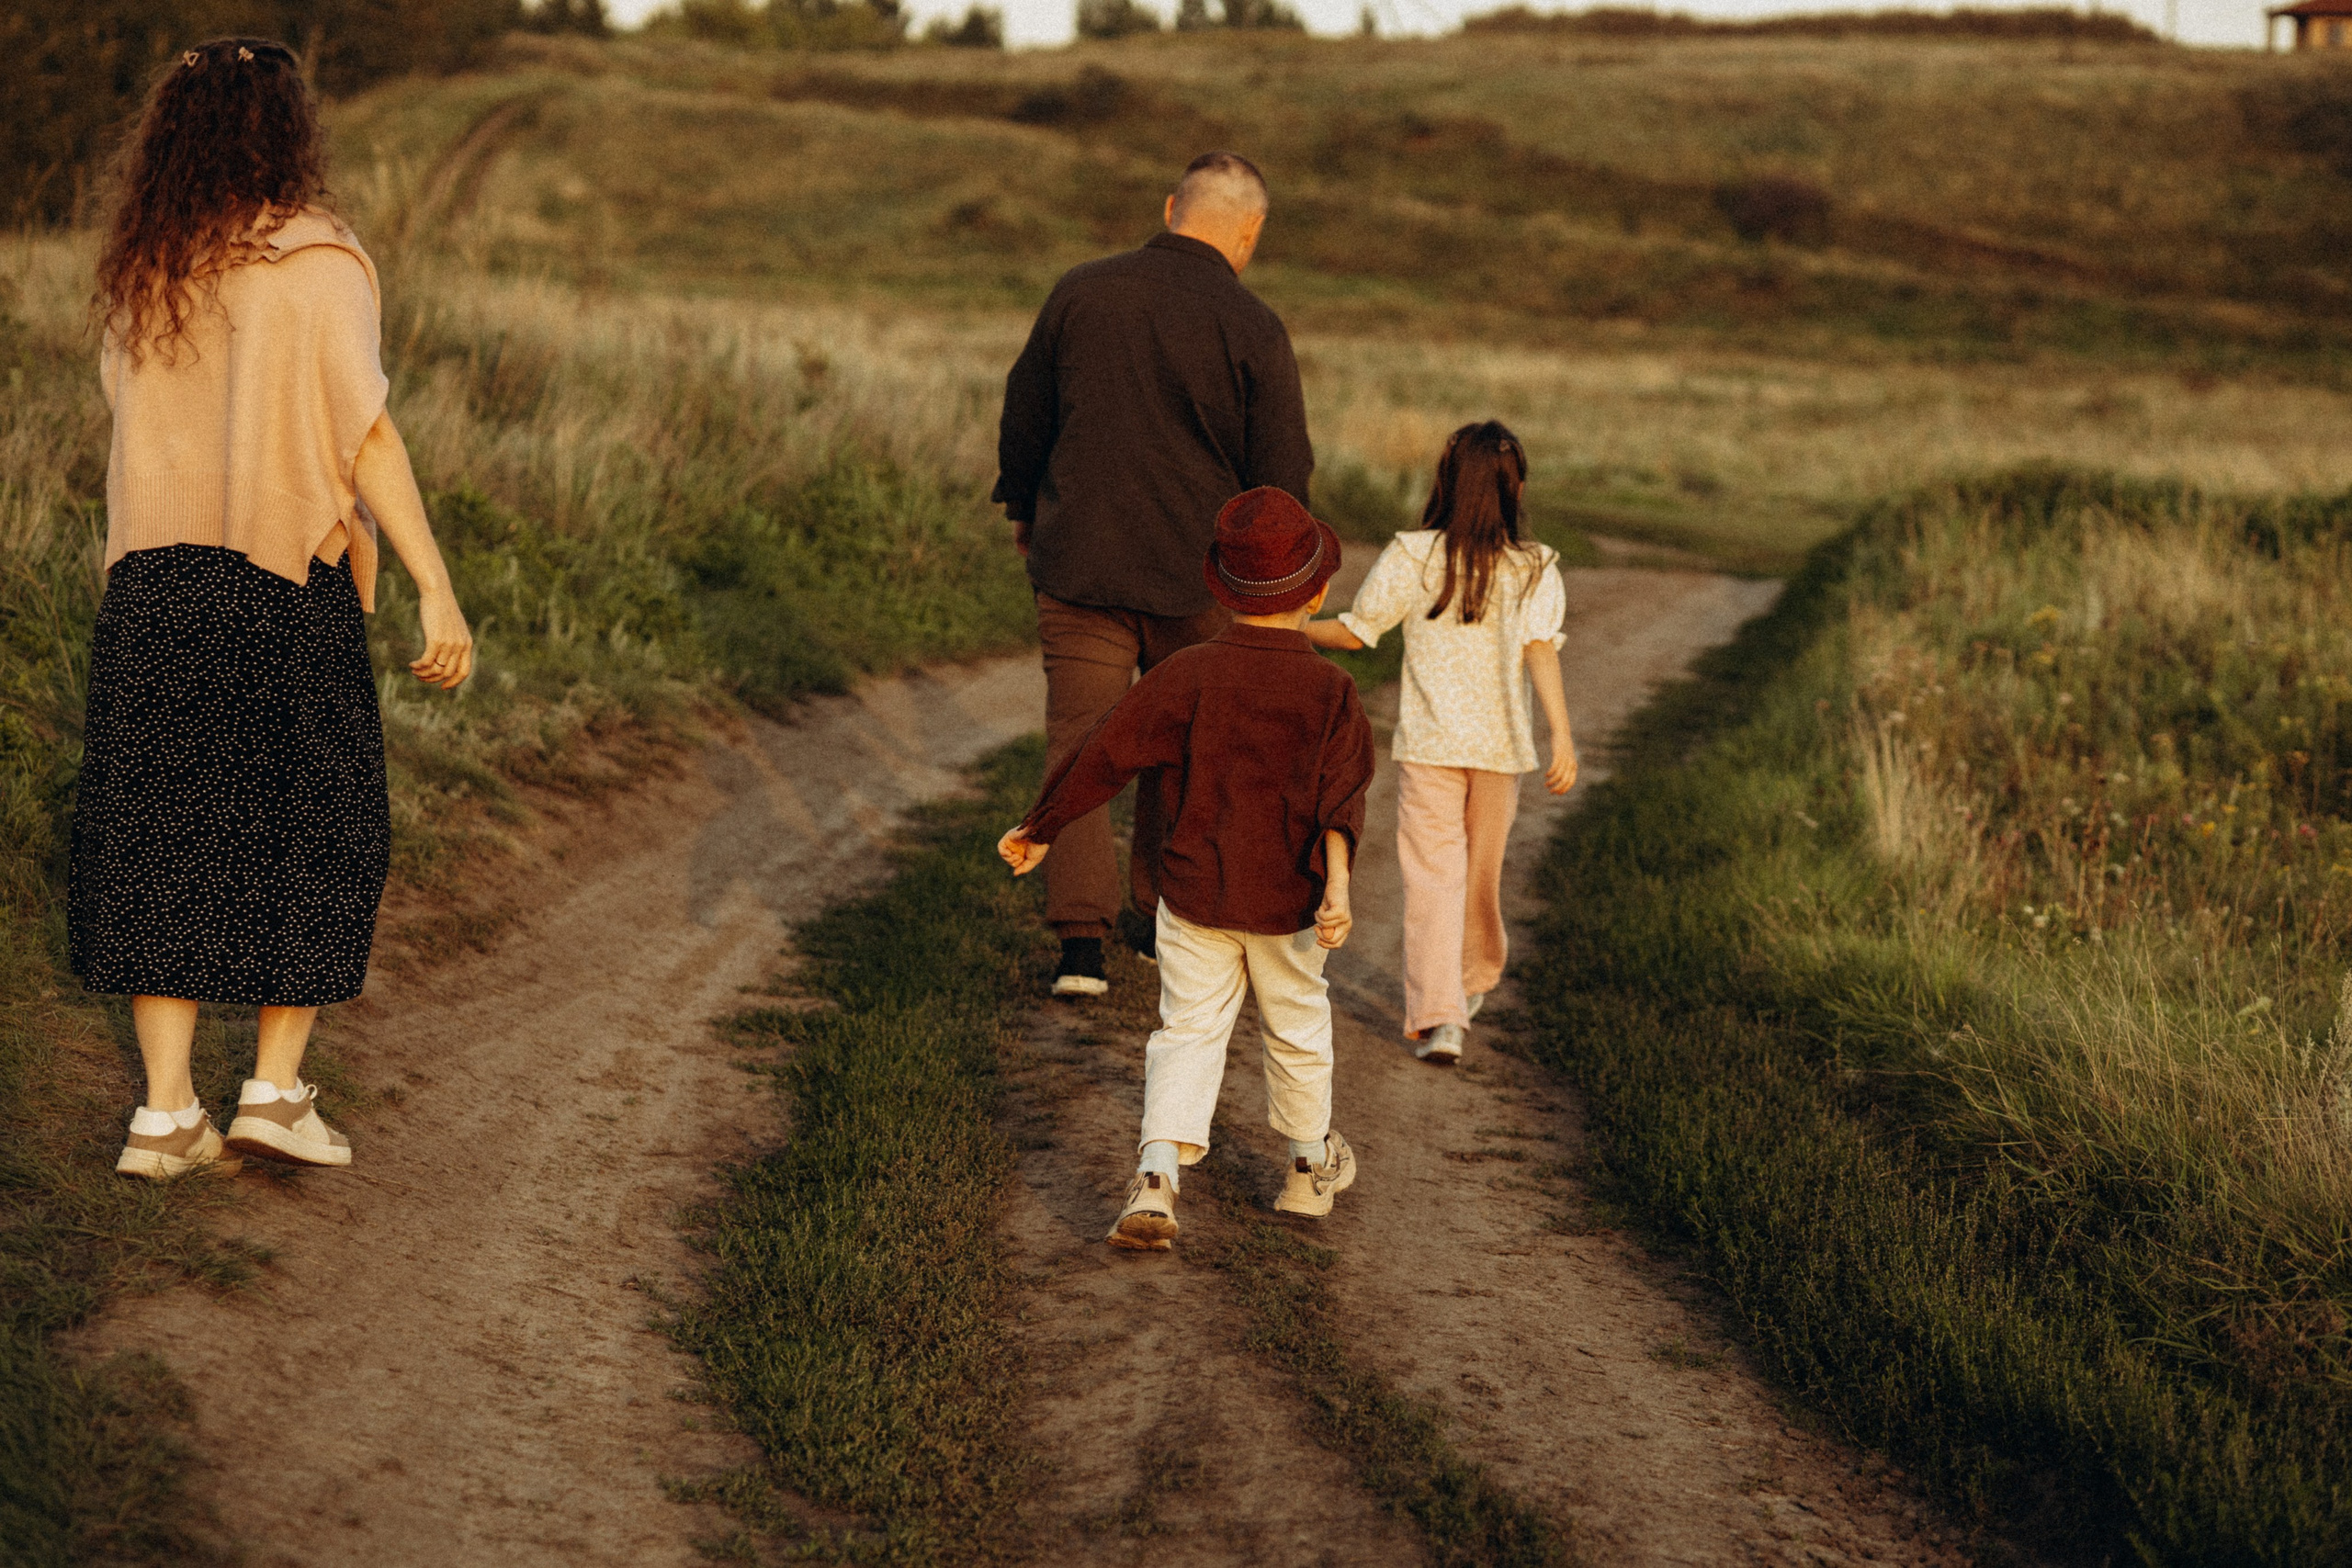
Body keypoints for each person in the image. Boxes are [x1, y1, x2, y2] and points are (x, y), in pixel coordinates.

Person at [77, 38, 474, 1180]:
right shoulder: (321, 260)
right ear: (289, 129)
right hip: (278, 583)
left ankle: (163, 1117)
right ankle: (273, 1091)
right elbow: (366, 431)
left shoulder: (149, 262)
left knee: (167, 835)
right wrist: (436, 585)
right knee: (320, 827)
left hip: (153, 581)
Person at [998, 489, 1374, 1249]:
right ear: (1320, 591)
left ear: (1217, 588)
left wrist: (1042, 825)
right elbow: (1343, 798)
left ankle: (1157, 1179)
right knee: (1297, 1028)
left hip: (1195, 893)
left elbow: (1106, 748)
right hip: (1290, 903)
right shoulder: (1332, 690)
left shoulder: (1189, 671)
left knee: (1187, 1030)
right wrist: (1335, 888)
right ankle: (1307, 1167)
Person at [993, 151, 1315, 998]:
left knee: (1081, 744)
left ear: (1172, 206)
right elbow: (1280, 479)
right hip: (1200, 583)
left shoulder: (1080, 291)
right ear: (1249, 235)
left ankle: (1078, 950)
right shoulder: (1253, 328)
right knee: (1185, 752)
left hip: (1082, 561)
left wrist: (1025, 508)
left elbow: (1025, 414)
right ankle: (1156, 921)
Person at [1305, 422, 1576, 1064]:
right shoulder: (1498, 563)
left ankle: (1455, 994)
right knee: (1455, 879)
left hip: (1461, 749)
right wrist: (1560, 732)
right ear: (1514, 488)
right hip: (1470, 751)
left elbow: (1355, 631)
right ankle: (1445, 1008)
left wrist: (1292, 626)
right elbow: (1540, 652)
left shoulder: (1449, 559)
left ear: (1447, 482)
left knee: (1453, 881)